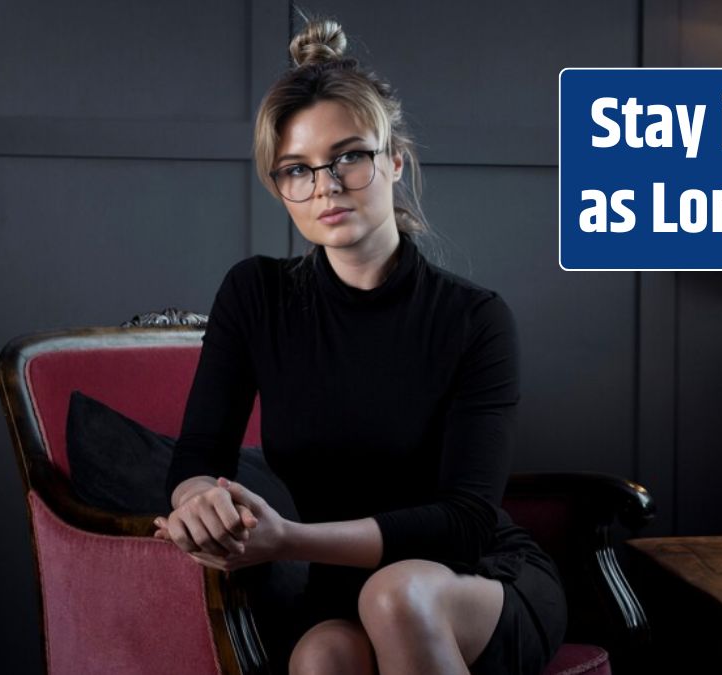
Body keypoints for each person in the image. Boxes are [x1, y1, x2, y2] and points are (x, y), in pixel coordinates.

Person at [152, 17, 567, 675]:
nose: (327, 184)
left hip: (474, 580)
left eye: (349, 155)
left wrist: (287, 540)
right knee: (320, 656)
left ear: (394, 159)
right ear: (279, 186)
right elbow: (197, 459)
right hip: (340, 586)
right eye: (297, 169)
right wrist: (196, 501)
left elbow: (465, 521)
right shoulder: (256, 294)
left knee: (397, 594)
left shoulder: (474, 318)